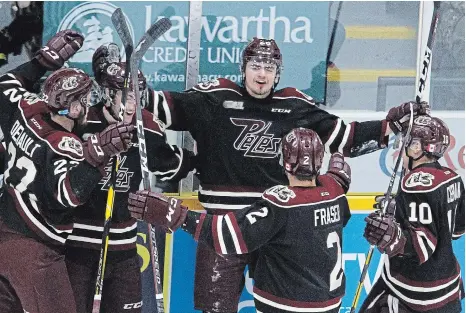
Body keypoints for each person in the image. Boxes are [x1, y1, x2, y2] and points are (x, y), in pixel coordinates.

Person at [143, 36, 430, 313]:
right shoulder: (215, 97)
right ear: (242, 69)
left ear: (277, 74)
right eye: (255, 66)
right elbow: (157, 108)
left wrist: (391, 125)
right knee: (215, 307)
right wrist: (139, 94)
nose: (261, 75)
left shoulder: (294, 105)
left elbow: (346, 139)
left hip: (275, 227)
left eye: (269, 68)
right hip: (223, 222)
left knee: (278, 304)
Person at [128, 128, 352, 313]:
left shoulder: (281, 203)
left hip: (288, 306)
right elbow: (337, 199)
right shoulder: (334, 192)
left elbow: (225, 234)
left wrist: (174, 214)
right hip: (332, 303)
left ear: (284, 161)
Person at [0, 30, 134, 313]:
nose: (88, 107)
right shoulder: (65, 143)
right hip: (34, 251)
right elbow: (67, 194)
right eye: (85, 101)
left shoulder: (27, 108)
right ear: (73, 108)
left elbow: (5, 83)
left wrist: (42, 62)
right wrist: (97, 155)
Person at [64, 45, 197, 313]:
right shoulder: (83, 124)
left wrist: (205, 160)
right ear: (108, 93)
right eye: (126, 96)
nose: (132, 104)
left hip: (125, 247)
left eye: (137, 97)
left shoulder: (144, 124)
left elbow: (169, 164)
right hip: (80, 245)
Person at [361, 115, 464, 313]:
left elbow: (421, 249)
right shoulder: (452, 177)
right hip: (449, 287)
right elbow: (456, 230)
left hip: (416, 292)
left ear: (417, 148)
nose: (403, 149)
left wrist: (393, 238)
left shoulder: (414, 184)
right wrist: (399, 210)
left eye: (407, 144)